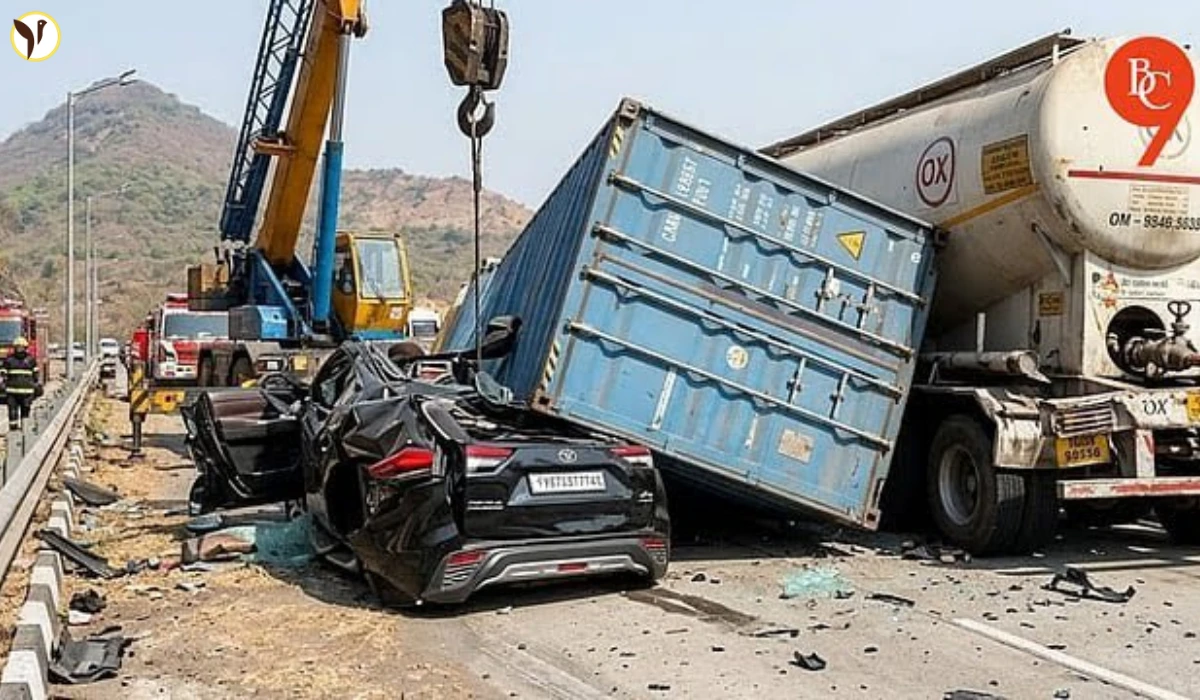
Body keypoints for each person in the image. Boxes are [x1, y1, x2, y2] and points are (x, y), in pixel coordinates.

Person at [2, 336, 40, 430]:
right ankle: (24, 430)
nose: (19, 349)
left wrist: (4, 384)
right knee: (24, 411)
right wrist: (35, 386)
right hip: (25, 392)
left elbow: (3, 375)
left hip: (12, 392)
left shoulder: (9, 360)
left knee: (13, 411)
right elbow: (36, 376)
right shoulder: (31, 360)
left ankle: (14, 431)